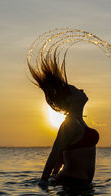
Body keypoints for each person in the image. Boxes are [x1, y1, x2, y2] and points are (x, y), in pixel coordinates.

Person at [28, 53, 99, 187]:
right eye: (76, 90)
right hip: (71, 185)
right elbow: (54, 153)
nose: (81, 89)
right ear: (70, 100)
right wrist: (43, 182)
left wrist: (54, 175)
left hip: (81, 187)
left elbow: (61, 155)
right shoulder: (71, 124)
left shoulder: (79, 122)